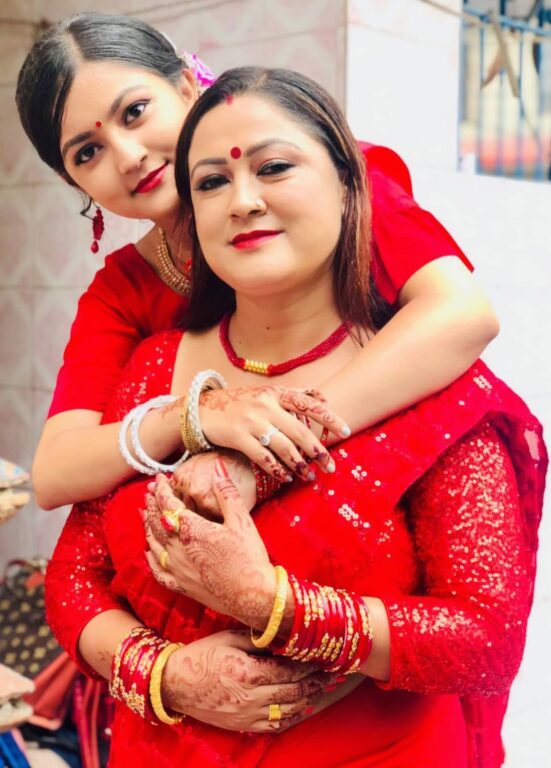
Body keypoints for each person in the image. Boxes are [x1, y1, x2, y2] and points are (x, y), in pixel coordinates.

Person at [45, 66, 547, 768]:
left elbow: (486, 641)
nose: (243, 201)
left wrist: (272, 604)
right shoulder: (158, 369)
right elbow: (73, 578)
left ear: (349, 185)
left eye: (274, 167)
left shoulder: (428, 382)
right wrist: (165, 676)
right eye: (211, 183)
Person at [15, 12, 499, 513]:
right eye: (87, 152)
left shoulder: (330, 186)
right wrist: (194, 416)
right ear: (73, 181)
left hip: (384, 497)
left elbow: (462, 313)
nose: (128, 156)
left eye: (135, 112)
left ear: (186, 87)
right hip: (211, 522)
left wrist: (272, 448)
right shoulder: (126, 288)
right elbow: (55, 472)